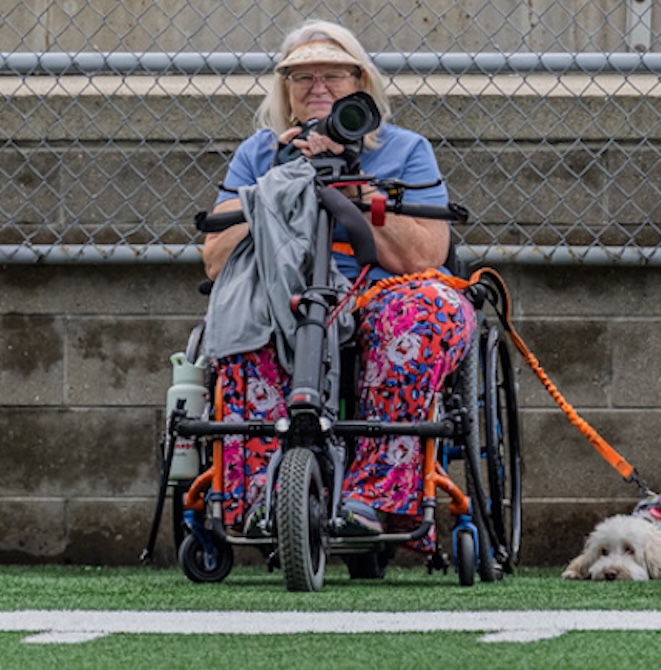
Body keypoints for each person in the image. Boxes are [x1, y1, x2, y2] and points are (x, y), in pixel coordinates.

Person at [201, 20, 476, 551]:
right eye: (302, 77)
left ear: (361, 84)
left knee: (424, 314)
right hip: (289, 290)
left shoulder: (405, 149)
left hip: (380, 291)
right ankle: (265, 498)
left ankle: (375, 501)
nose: (318, 87)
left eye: (333, 75)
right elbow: (216, 261)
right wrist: (278, 181)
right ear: (284, 89)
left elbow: (423, 255)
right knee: (241, 315)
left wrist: (351, 185)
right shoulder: (259, 154)